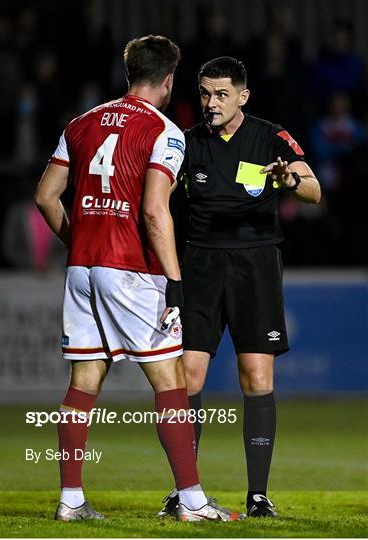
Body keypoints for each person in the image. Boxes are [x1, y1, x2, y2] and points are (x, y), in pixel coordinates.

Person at [35, 36, 245, 523]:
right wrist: (174, 281)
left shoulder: (81, 123)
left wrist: (83, 244)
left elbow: (47, 197)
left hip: (83, 269)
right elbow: (155, 210)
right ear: (169, 80)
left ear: (129, 72)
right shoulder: (165, 131)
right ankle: (192, 503)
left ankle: (70, 500)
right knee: (170, 379)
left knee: (83, 382)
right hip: (130, 270)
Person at [160, 56, 321, 518]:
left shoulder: (270, 136)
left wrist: (288, 178)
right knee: (187, 377)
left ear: (242, 96)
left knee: (256, 378)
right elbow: (157, 196)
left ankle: (258, 496)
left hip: (256, 266)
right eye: (206, 94)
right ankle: (186, 492)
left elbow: (312, 189)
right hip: (200, 267)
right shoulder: (186, 142)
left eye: (222, 94)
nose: (211, 103)